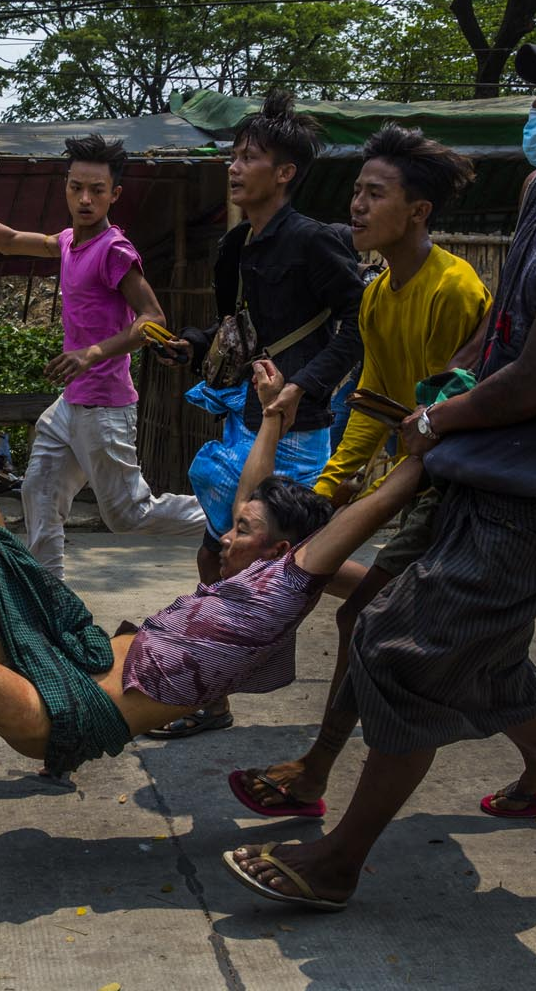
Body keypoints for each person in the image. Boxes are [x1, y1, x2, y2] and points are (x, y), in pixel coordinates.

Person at [221, 26, 536, 911]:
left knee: (402, 650)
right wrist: (454, 387)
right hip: (484, 467)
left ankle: (337, 861)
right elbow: (504, 330)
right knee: (478, 661)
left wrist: (437, 415)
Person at [0, 318, 424, 786]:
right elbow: (252, 487)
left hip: (68, 714)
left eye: (244, 532)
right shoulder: (247, 560)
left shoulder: (284, 587)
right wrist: (272, 416)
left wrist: (418, 460)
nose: (225, 537)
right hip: (78, 653)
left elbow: (358, 521)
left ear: (281, 550)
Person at [230, 125, 492, 816]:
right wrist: (325, 490)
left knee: (365, 622)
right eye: (355, 192)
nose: (357, 206)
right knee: (488, 657)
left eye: (375, 194)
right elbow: (376, 401)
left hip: (467, 489)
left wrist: (374, 492)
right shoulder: (378, 293)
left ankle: (315, 772)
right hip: (425, 477)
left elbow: (450, 411)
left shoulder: (453, 288)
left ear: (419, 213)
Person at [151, 89, 366, 739]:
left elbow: (361, 323)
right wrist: (192, 350)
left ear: (285, 174)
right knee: (225, 557)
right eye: (234, 156)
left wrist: (306, 385)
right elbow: (236, 333)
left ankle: (398, 596)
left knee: (286, 566)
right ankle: (211, 697)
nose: (235, 167)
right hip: (249, 421)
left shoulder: (315, 242)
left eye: (251, 158)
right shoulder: (236, 248)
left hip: (297, 431)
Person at [0, 135, 205, 581]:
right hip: (70, 405)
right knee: (39, 491)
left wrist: (90, 354)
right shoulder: (69, 240)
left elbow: (152, 318)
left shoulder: (114, 251)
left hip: (105, 407)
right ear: (66, 187)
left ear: (115, 194)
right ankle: (49, 601)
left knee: (127, 516)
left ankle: (225, 514)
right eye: (77, 187)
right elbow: (12, 240)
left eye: (97, 189)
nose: (85, 198)